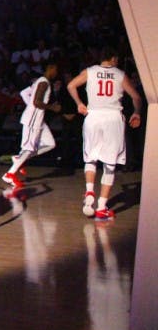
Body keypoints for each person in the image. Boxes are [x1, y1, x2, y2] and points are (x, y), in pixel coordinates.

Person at [65, 49, 142, 220]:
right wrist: (136, 112)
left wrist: (79, 103)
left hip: (93, 117)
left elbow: (70, 85)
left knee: (91, 158)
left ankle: (90, 191)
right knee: (110, 163)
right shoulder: (120, 74)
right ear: (114, 58)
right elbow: (136, 97)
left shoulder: (90, 72)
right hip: (113, 118)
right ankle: (101, 207)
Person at [2, 63, 62, 187]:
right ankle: (10, 174)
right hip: (33, 119)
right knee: (29, 149)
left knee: (50, 144)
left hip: (39, 119)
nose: (57, 73)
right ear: (51, 68)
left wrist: (31, 106)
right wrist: (52, 107)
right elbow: (36, 102)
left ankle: (19, 158)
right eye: (56, 69)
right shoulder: (44, 82)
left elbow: (24, 93)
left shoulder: (39, 81)